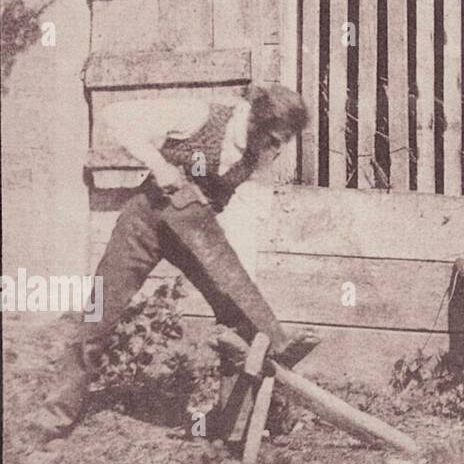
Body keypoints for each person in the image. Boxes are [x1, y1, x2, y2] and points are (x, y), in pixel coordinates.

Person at [30, 83, 310, 440]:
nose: (277, 148)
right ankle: (53, 419)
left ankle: (231, 424)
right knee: (98, 313)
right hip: (146, 222)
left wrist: (239, 285)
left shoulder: (261, 158)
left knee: (240, 315)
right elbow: (115, 117)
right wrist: (159, 166)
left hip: (194, 229)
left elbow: (247, 218)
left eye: (284, 141)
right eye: (274, 138)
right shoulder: (200, 116)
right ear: (255, 120)